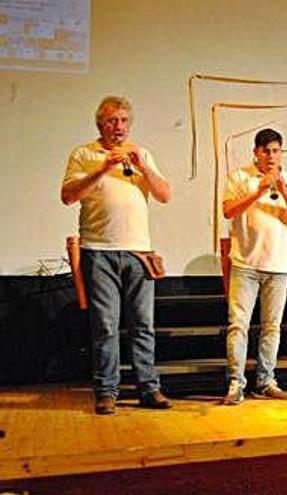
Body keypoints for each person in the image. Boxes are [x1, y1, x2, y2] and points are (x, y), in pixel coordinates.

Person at [61, 96, 172, 415]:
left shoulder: (142, 154)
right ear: (100, 124)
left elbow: (164, 194)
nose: (118, 126)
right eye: (111, 120)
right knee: (106, 326)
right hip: (99, 251)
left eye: (123, 120)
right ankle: (107, 392)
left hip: (139, 252)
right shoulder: (84, 154)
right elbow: (68, 196)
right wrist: (102, 168)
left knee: (142, 324)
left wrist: (142, 166)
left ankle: (149, 389)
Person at [220, 129, 287, 405]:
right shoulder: (239, 177)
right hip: (245, 263)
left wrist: (282, 189)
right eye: (266, 151)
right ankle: (236, 383)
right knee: (239, 325)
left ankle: (266, 380)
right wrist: (257, 191)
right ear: (256, 152)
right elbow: (228, 211)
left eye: (276, 151)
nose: (271, 156)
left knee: (272, 326)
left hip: (278, 264)